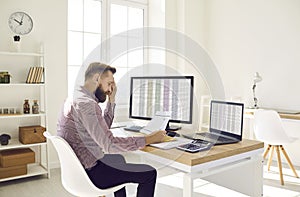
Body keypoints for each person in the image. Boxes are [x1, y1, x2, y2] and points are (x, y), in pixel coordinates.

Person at [57, 62, 166, 197]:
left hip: (78, 170)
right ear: (97, 79)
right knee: (149, 173)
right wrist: (149, 139)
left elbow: (102, 131)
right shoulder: (87, 105)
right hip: (90, 173)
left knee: (117, 159)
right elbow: (109, 144)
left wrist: (111, 100)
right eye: (109, 84)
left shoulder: (75, 98)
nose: (110, 89)